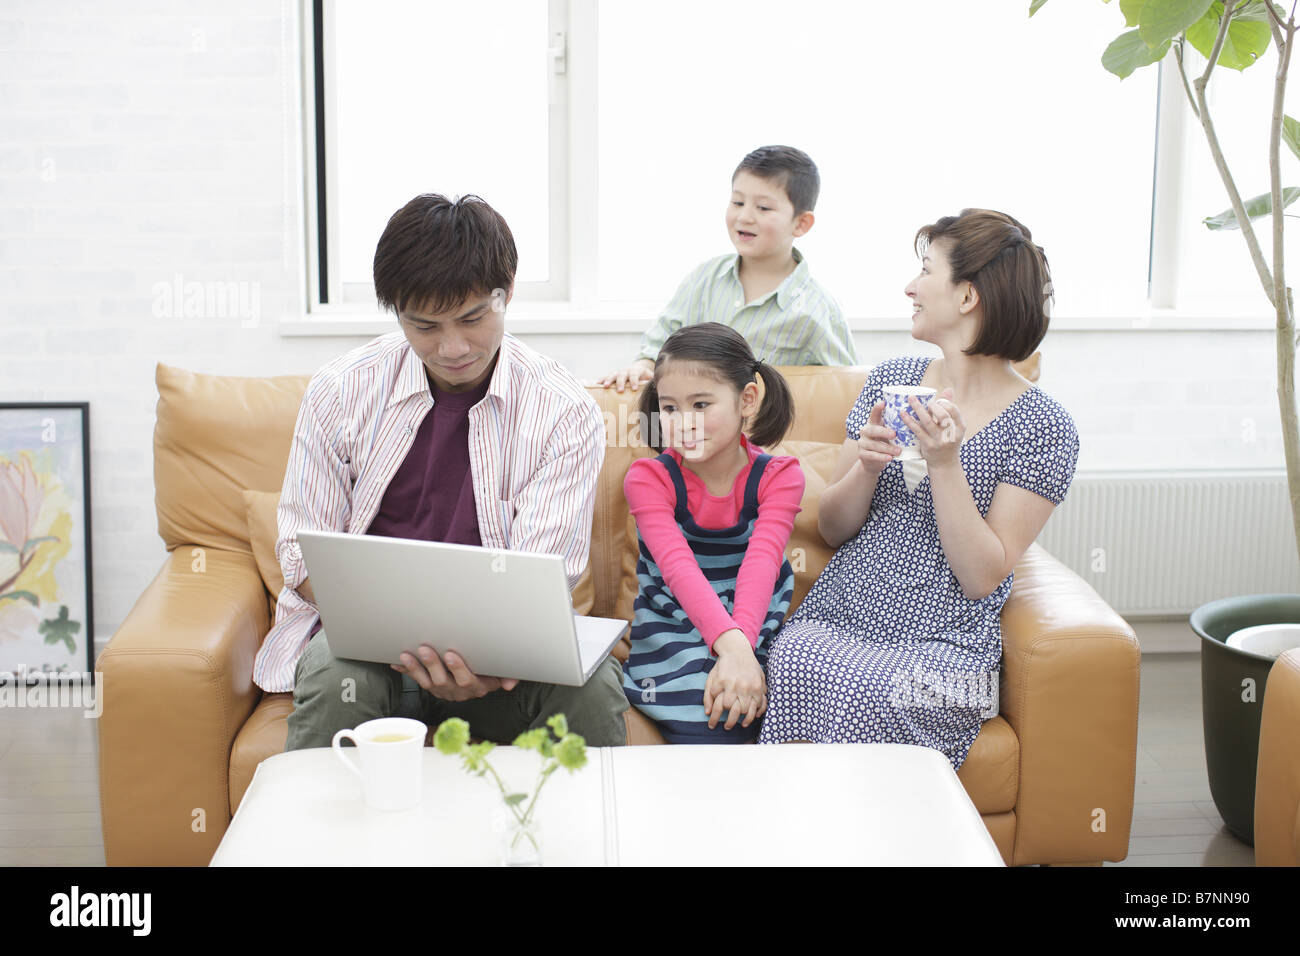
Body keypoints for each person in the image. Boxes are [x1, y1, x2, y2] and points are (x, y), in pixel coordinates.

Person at [258, 193, 630, 750]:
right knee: (338, 676)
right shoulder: (341, 391)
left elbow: (546, 572)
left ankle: (582, 838)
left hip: (503, 662)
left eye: (473, 318)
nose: (452, 347)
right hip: (370, 652)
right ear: (396, 313)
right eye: (424, 325)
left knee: (591, 688)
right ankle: (314, 835)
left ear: (509, 292)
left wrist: (483, 659)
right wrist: (402, 637)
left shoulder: (563, 410)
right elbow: (298, 554)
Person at [758, 209, 1080, 770]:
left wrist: (945, 465)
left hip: (948, 649)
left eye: (925, 271)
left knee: (871, 692)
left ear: (967, 297)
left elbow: (982, 575)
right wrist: (866, 466)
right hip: (842, 617)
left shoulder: (1045, 426)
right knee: (793, 656)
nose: (910, 287)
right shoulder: (889, 381)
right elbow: (833, 527)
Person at [622, 322, 805, 742]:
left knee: (776, 694)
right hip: (675, 613)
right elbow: (678, 569)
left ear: (747, 399)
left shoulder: (780, 476)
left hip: (755, 612)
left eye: (701, 404)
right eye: (669, 409)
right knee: (705, 704)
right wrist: (733, 651)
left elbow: (761, 565)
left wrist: (742, 646)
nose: (683, 422)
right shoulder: (650, 477)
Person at [597, 145, 856, 392]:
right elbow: (661, 340)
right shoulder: (704, 279)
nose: (744, 217)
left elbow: (844, 391)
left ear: (801, 223)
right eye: (737, 202)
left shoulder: (818, 311)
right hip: (690, 427)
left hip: (763, 434)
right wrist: (644, 364)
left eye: (763, 207)